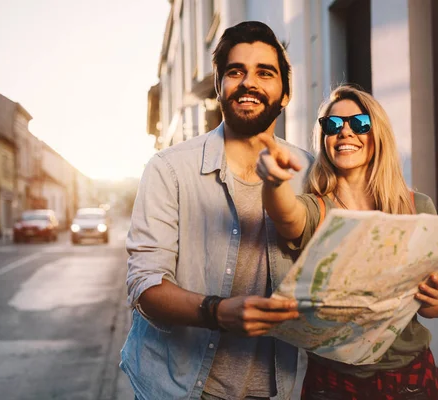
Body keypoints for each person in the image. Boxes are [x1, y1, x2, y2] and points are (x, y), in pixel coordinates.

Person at [121, 21, 314, 400]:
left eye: (265, 72)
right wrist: (216, 311)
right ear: (219, 85)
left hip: (281, 386)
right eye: (235, 71)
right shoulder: (169, 169)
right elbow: (144, 285)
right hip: (181, 385)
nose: (248, 82)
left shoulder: (309, 172)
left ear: (285, 93)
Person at [256, 85, 438, 400]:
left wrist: (437, 297)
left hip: (409, 381)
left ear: (378, 133)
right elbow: (286, 216)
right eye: (333, 126)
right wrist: (274, 181)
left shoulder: (418, 207)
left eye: (359, 123)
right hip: (332, 385)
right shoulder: (317, 209)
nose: (345, 132)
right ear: (324, 139)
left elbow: (435, 307)